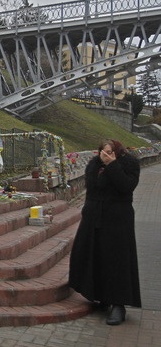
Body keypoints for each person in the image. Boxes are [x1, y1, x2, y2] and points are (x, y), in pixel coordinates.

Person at [69, 139, 141, 325]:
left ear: (118, 152)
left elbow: (126, 187)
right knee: (95, 256)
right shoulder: (94, 165)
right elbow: (92, 190)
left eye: (110, 152)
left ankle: (119, 304)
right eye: (103, 151)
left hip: (118, 220)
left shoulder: (129, 164)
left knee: (117, 260)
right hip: (94, 217)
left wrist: (112, 165)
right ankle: (101, 296)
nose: (106, 155)